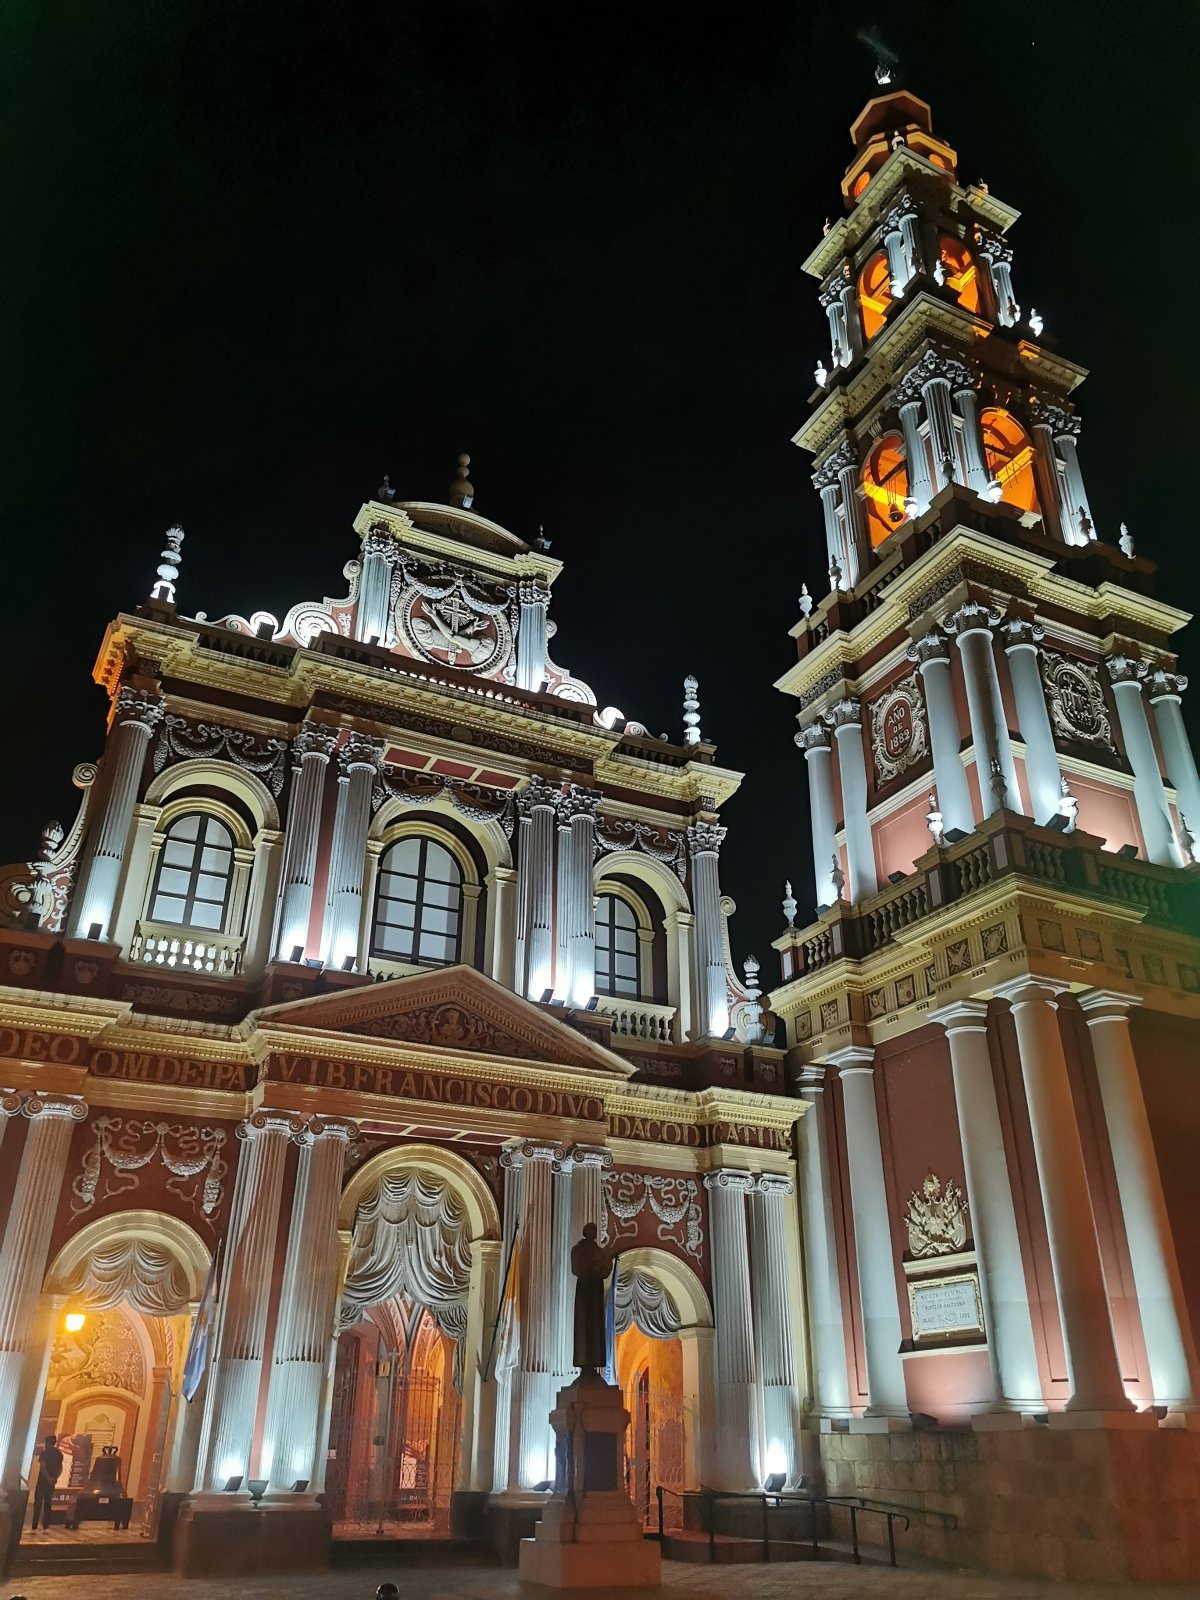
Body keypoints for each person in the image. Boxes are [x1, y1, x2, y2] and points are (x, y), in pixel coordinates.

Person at [30, 1435, 63, 1530]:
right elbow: (60, 1468)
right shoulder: (59, 1454)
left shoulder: (44, 1453)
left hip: (42, 1482)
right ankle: (46, 1526)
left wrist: (48, 1478)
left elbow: (43, 1467)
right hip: (52, 1483)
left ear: (48, 1443)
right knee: (48, 1503)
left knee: (38, 1503)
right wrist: (55, 1478)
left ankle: (34, 1525)